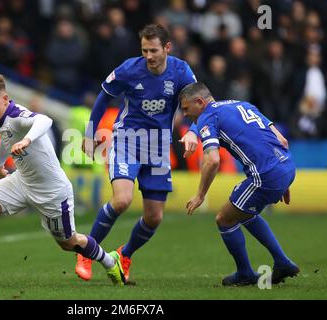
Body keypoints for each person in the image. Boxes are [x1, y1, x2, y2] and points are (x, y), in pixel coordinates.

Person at [0, 74, 125, 286]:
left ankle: (110, 261)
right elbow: (5, 137)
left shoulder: (17, 115)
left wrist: (27, 139)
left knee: (69, 243)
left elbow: (45, 120)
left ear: (5, 99)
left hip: (52, 192)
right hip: (22, 181)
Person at [76, 24, 198, 282]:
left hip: (158, 147)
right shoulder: (129, 70)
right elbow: (103, 99)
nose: (149, 56)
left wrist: (193, 131)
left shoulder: (181, 71)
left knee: (154, 218)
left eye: (154, 50)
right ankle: (86, 251)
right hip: (127, 141)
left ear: (167, 48)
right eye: (144, 50)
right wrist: (89, 134)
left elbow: (200, 104)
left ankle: (124, 255)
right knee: (122, 200)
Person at [179, 82, 300, 286]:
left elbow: (213, 160)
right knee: (244, 212)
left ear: (199, 102)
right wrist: (283, 180)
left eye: (186, 108)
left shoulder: (208, 117)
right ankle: (282, 262)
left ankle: (245, 273)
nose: (184, 114)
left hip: (266, 174)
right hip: (286, 166)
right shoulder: (239, 104)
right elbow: (281, 140)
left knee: (224, 219)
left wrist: (200, 194)